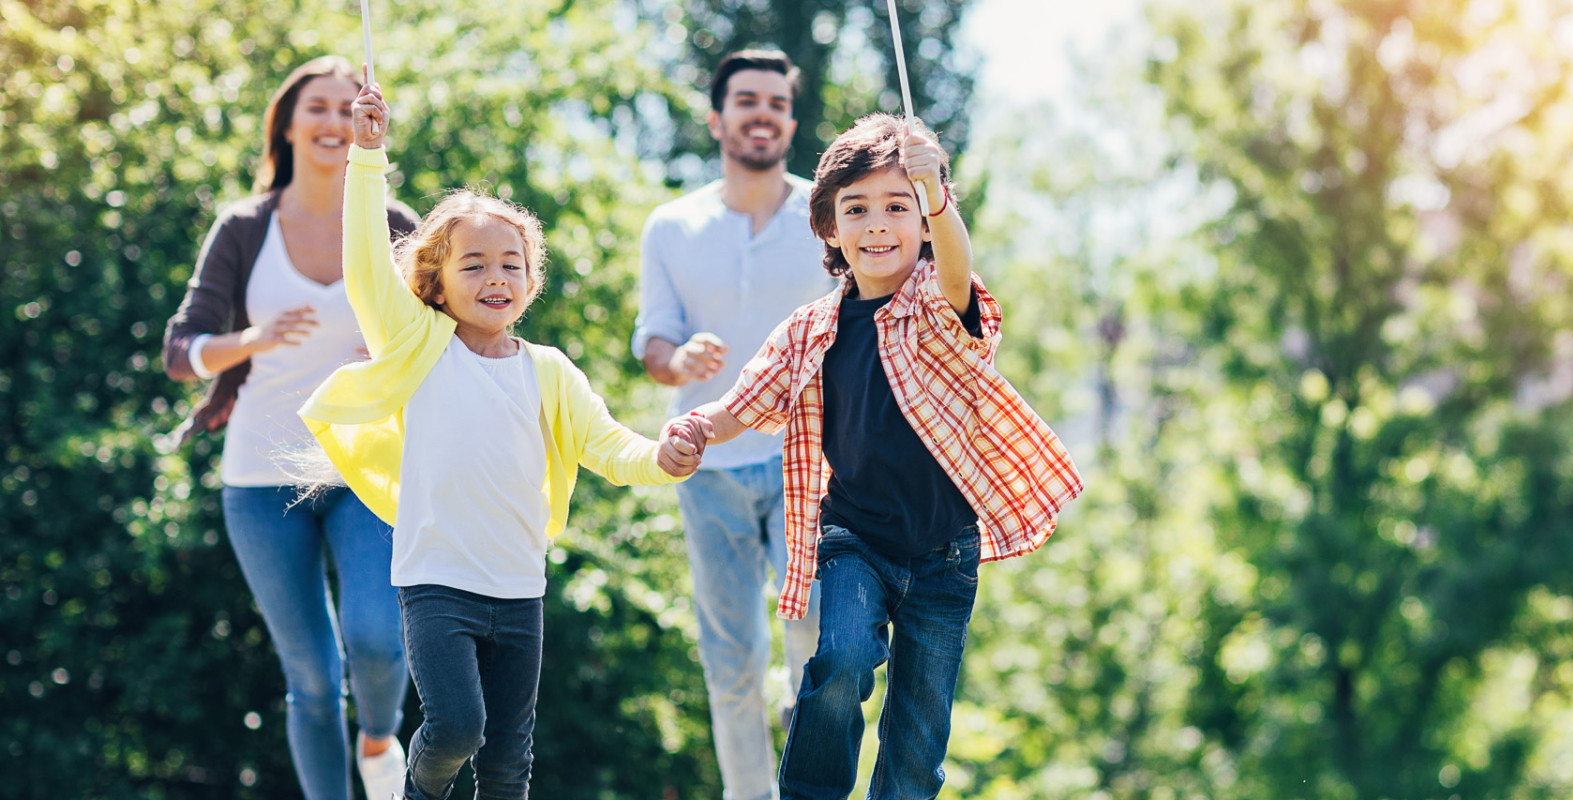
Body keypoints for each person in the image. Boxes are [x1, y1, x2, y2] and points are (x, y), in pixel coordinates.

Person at [301, 72, 704, 800]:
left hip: (520, 588)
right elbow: (364, 268)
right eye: (474, 264)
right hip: (437, 584)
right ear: (438, 279)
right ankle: (414, 794)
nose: (496, 277)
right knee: (455, 729)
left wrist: (666, 458)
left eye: (511, 264)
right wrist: (368, 157)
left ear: (531, 280)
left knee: (508, 763)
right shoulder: (419, 344)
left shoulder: (548, 371)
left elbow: (613, 448)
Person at [667, 114, 1084, 800]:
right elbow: (742, 402)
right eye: (856, 209)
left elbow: (956, 270)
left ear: (923, 220)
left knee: (919, 739)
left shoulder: (930, 304)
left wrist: (938, 197)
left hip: (944, 555)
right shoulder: (808, 330)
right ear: (829, 227)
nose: (878, 225)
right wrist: (696, 430)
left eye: (899, 207)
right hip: (854, 538)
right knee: (841, 659)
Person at [160, 54, 418, 800]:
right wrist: (252, 340)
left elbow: (448, 335)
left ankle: (378, 734)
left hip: (363, 471)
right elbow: (180, 351)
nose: (334, 123)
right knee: (309, 677)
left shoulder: (396, 226)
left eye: (348, 109)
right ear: (289, 123)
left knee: (374, 637)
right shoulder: (244, 228)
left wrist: (402, 347)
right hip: (259, 479)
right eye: (319, 108)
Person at [631, 49, 834, 800]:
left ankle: (811, 772)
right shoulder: (671, 225)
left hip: (805, 460)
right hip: (706, 464)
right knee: (732, 659)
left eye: (777, 103)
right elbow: (651, 342)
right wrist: (677, 359)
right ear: (717, 118)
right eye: (747, 100)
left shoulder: (829, 216)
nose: (763, 113)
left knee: (817, 640)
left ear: (789, 119)